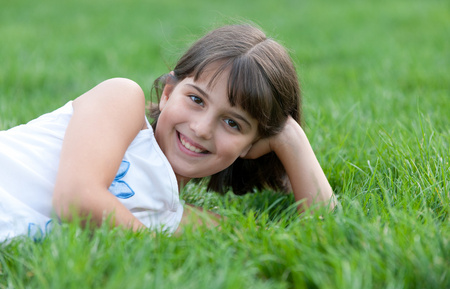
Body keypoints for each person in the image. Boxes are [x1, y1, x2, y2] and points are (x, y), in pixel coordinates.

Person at [0, 24, 335, 242]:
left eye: (233, 123)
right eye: (196, 99)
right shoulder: (121, 101)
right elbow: (75, 199)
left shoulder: (174, 216)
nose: (202, 128)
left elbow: (323, 236)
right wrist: (153, 245)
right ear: (168, 93)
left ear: (253, 145)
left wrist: (289, 138)